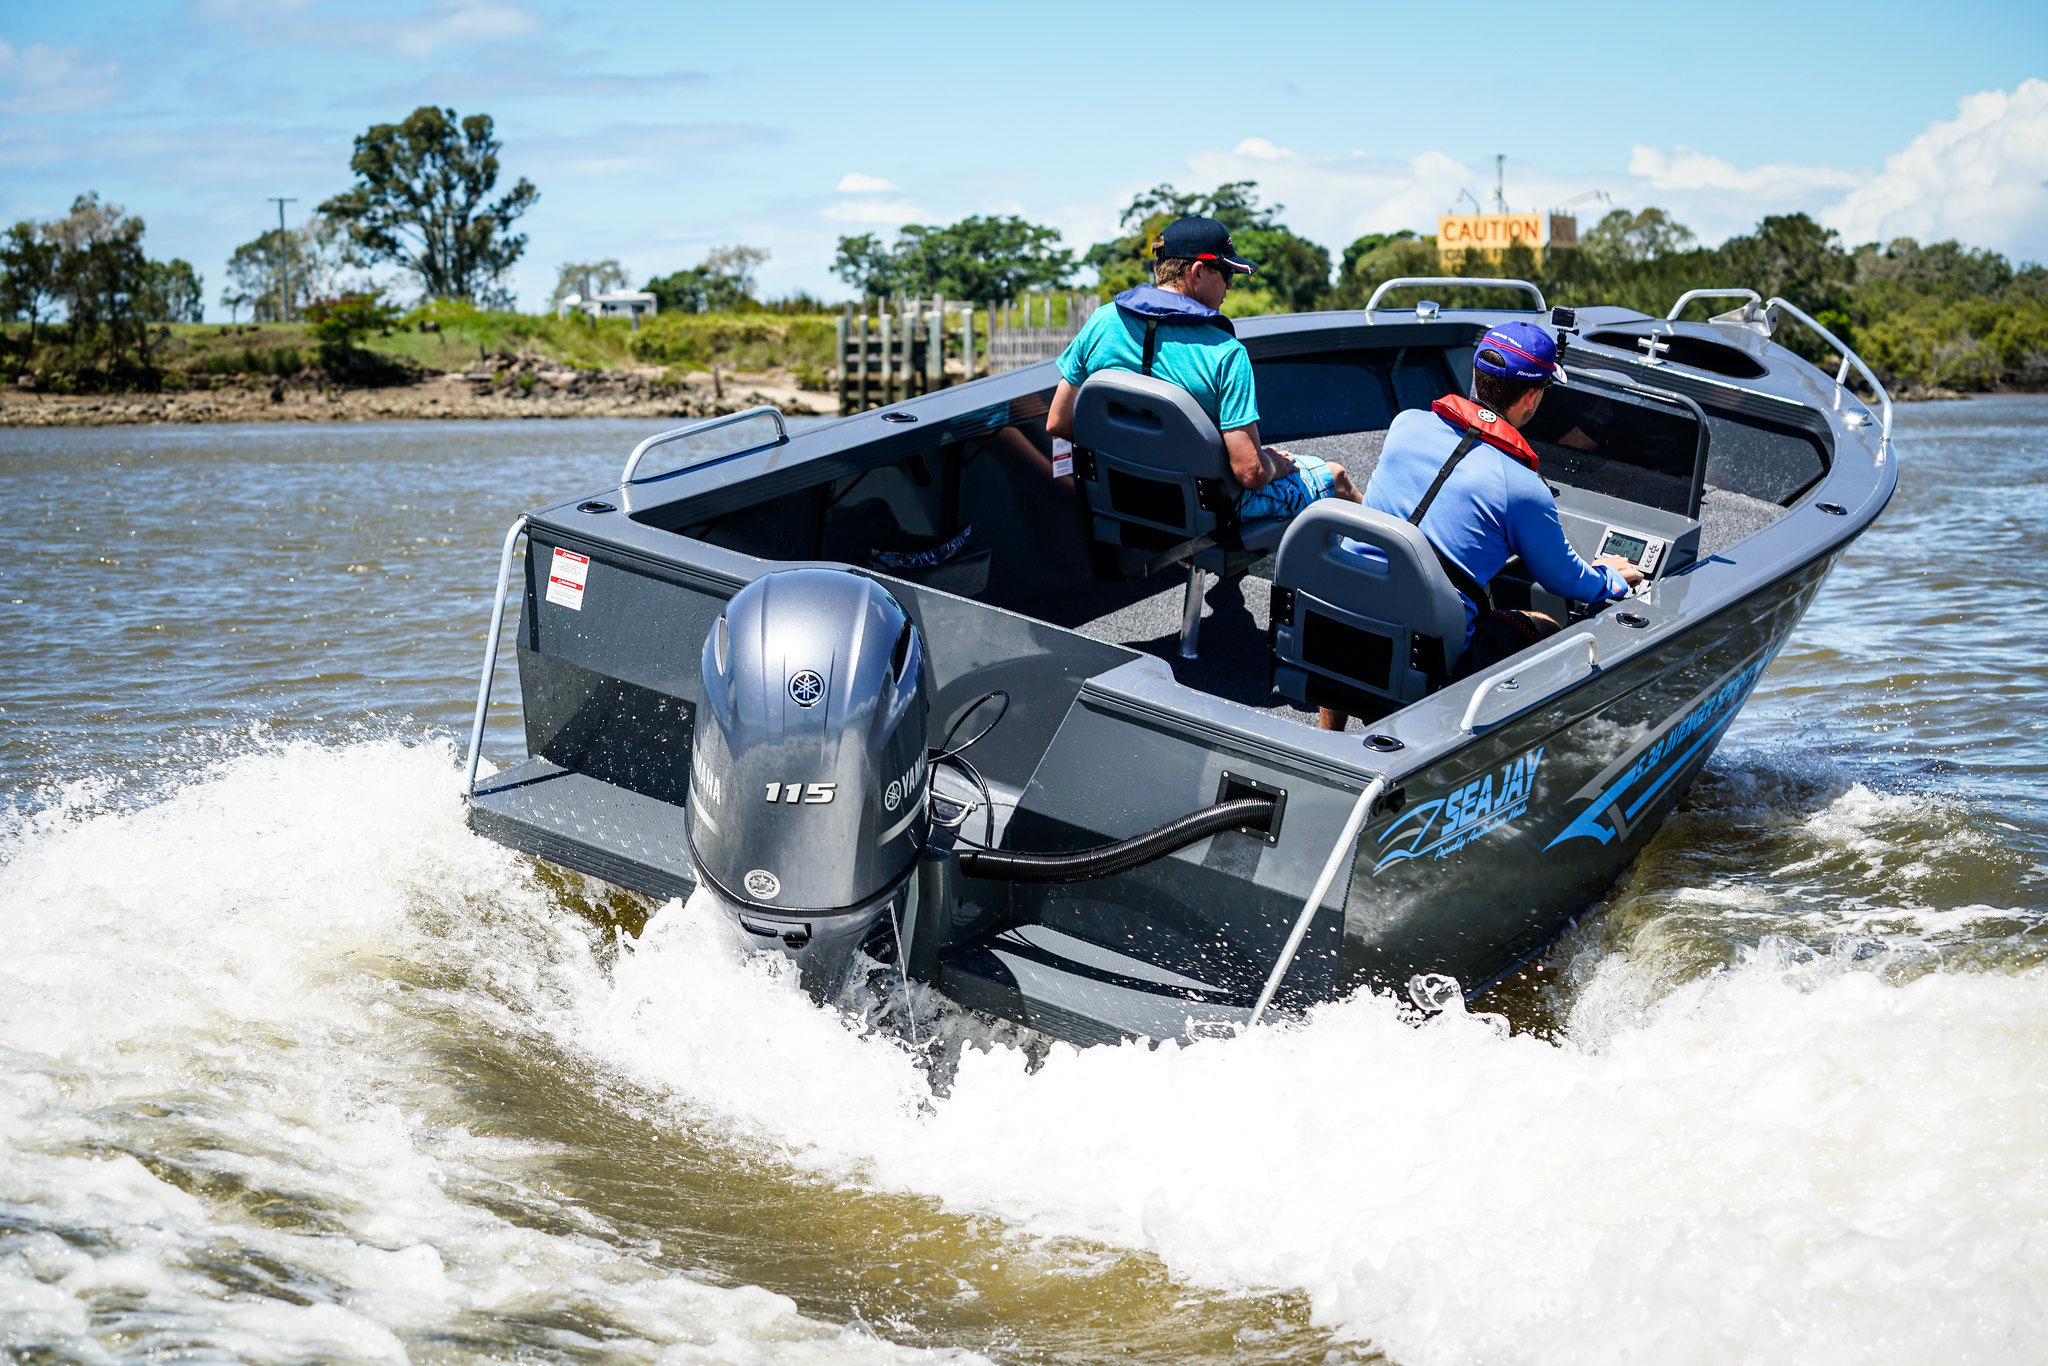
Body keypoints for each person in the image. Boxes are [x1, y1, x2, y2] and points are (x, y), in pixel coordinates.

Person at [1320, 321, 1642, 731]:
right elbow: (1566, 580)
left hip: (1332, 626)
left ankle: (1329, 735)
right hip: (1428, 655)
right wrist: (1610, 578)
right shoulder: (1524, 488)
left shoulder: (1405, 425)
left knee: (1357, 595)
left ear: (1475, 375)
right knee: (1546, 628)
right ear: (1531, 397)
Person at [1045, 216, 1360, 521]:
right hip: (1208, 509)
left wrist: (1125, 455)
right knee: (1336, 476)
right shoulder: (1225, 353)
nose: (1230, 286)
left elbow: (1058, 421)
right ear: (1197, 272)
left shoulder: (1101, 322)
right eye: (1226, 274)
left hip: (1121, 495)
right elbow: (1250, 473)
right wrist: (1274, 464)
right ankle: (1396, 552)